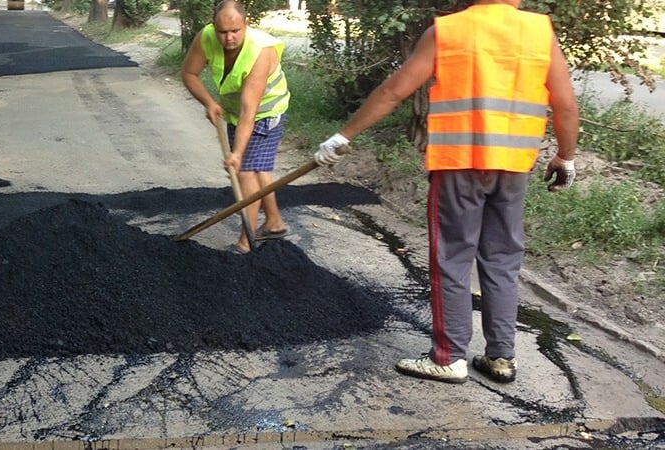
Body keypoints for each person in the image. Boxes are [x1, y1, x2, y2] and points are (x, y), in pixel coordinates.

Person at [313, 0, 579, 384]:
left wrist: (343, 136)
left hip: (459, 164)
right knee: (503, 258)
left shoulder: (448, 31)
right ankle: (501, 358)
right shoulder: (540, 32)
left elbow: (393, 91)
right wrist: (566, 157)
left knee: (453, 257)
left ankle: (449, 357)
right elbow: (566, 104)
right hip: (513, 165)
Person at [182, 0, 291, 254]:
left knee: (245, 171)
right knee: (257, 167)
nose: (229, 38)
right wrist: (208, 102)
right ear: (213, 27)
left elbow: (248, 111)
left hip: (267, 112)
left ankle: (245, 243)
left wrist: (237, 154)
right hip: (234, 114)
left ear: (246, 24)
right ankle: (274, 222)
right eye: (222, 32)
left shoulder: (260, 52)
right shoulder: (206, 38)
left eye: (235, 31)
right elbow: (189, 74)